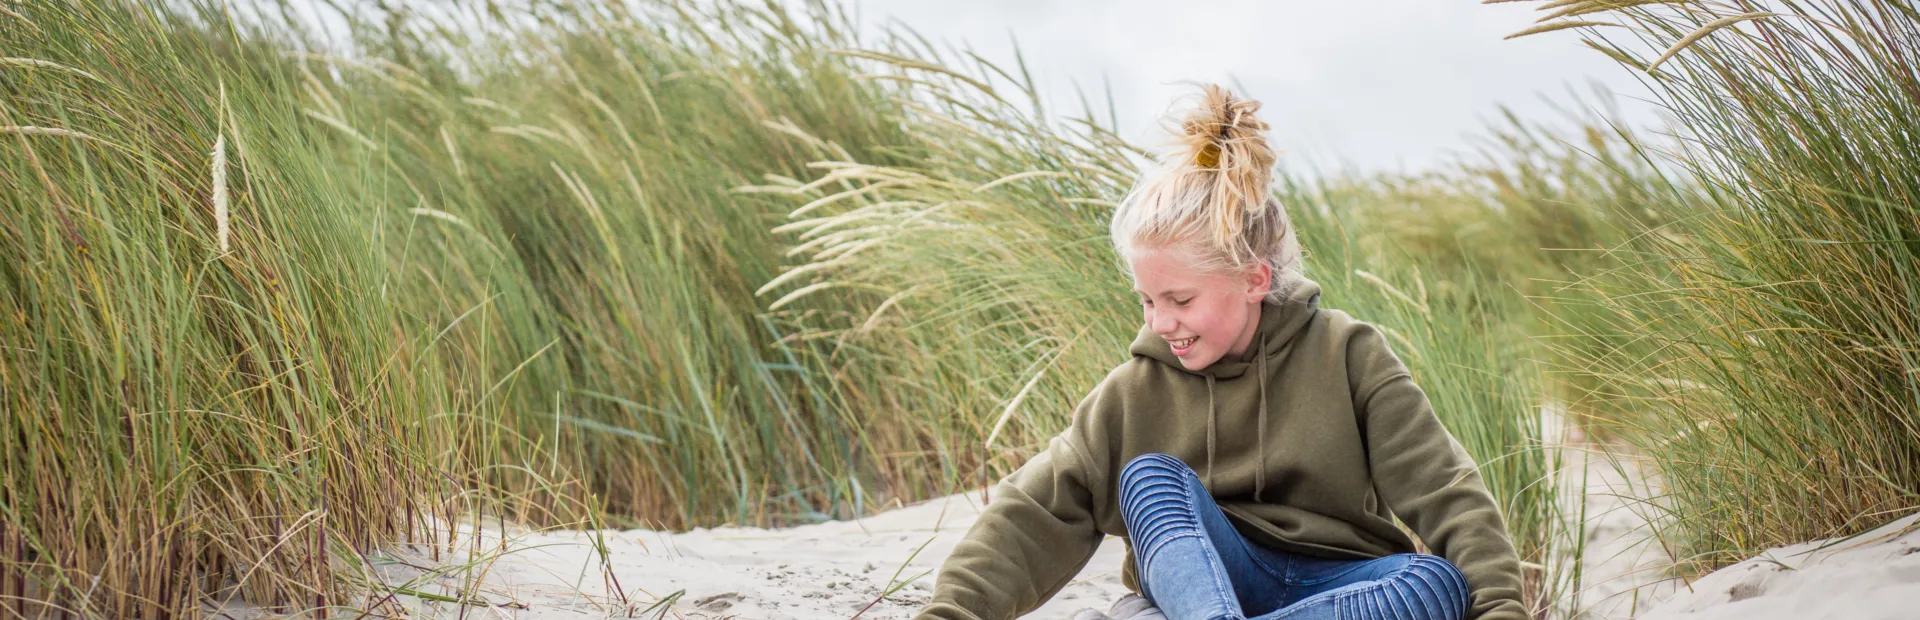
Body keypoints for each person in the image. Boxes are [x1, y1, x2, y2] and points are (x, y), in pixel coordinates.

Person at [913, 84, 1528, 620]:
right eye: (1148, 301)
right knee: (1150, 480)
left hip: (1338, 586)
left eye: (1180, 298)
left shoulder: (1349, 354)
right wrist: (952, 612)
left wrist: (1501, 610)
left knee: (1433, 586)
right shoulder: (1134, 391)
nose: (1162, 323)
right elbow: (1032, 510)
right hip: (1196, 589)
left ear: (1254, 280)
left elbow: (1446, 490)